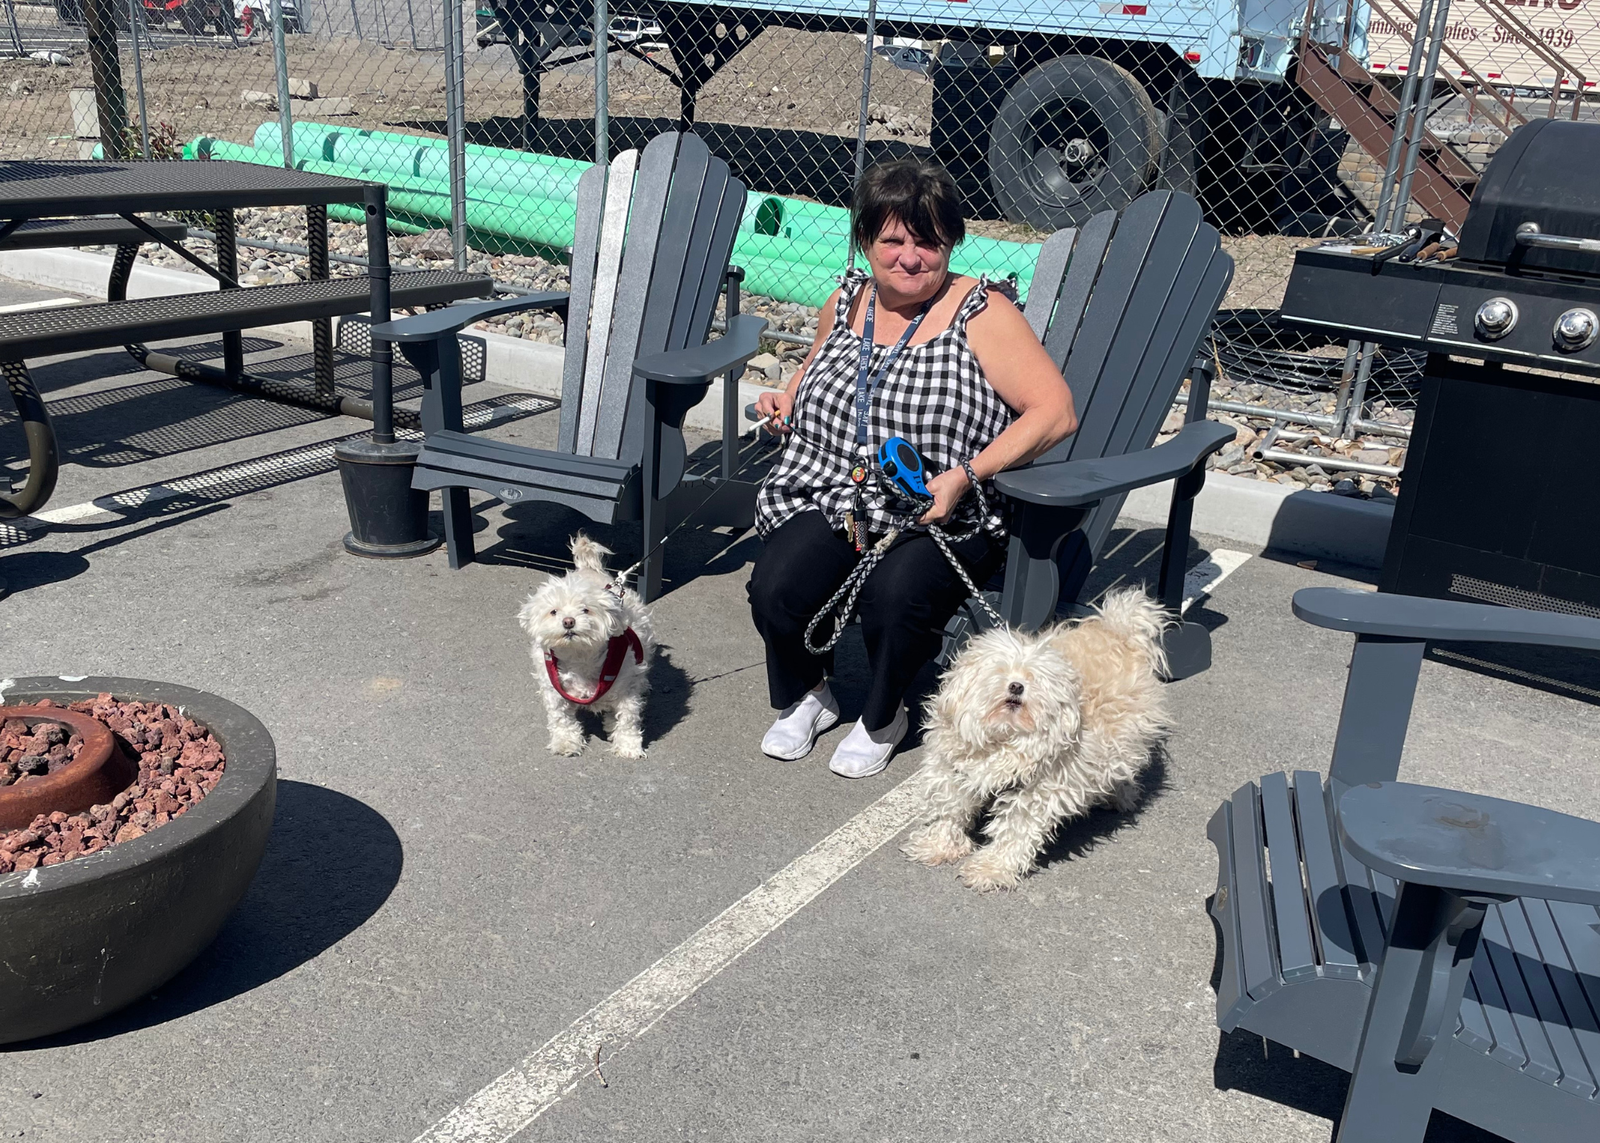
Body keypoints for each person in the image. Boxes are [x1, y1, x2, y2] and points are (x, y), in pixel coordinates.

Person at [747, 158, 1078, 779]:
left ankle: (883, 713)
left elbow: (1055, 413)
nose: (908, 257)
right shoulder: (846, 300)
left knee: (894, 594)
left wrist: (966, 475)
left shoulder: (982, 313)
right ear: (866, 240)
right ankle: (810, 693)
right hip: (836, 489)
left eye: (926, 241)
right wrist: (788, 399)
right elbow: (821, 370)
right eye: (892, 240)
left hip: (936, 503)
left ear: (949, 243)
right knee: (775, 588)